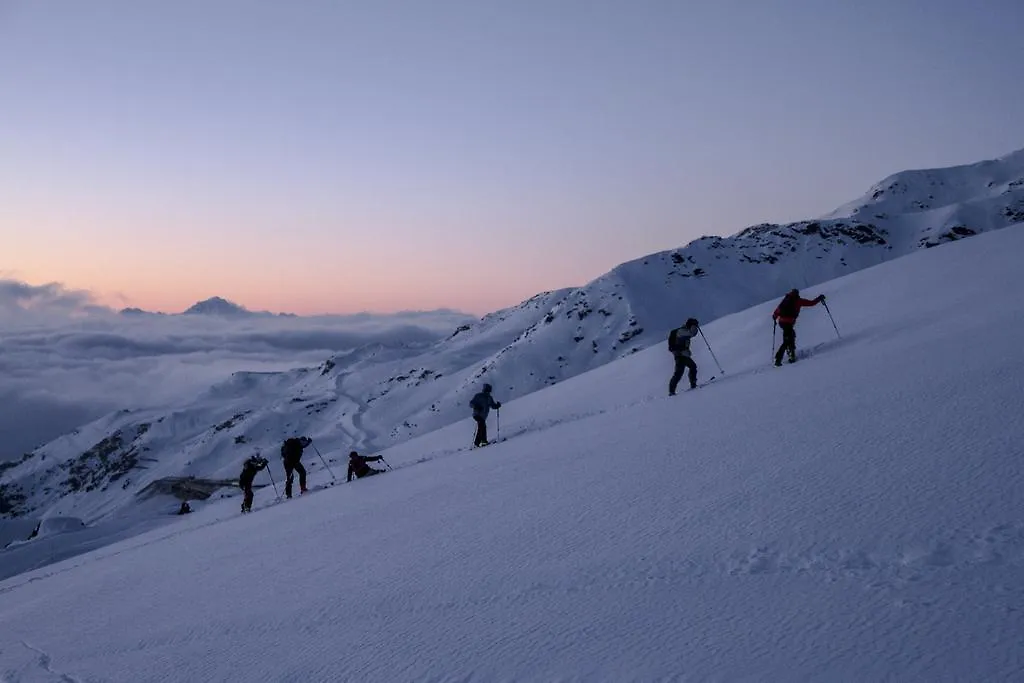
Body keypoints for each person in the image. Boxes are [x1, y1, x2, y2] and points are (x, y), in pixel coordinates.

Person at [772, 288, 826, 366]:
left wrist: (774, 316)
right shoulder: (799, 300)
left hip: (782, 322)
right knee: (787, 340)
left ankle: (791, 354)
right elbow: (811, 303)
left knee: (790, 337)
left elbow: (778, 310)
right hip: (788, 323)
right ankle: (779, 359)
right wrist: (819, 298)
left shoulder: (786, 299)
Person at [667, 318, 700, 395]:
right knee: (679, 373)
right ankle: (672, 392)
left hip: (682, 354)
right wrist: (694, 326)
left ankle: (693, 384)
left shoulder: (683, 330)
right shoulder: (681, 331)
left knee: (692, 367)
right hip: (680, 355)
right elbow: (692, 334)